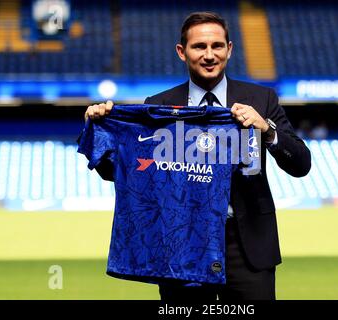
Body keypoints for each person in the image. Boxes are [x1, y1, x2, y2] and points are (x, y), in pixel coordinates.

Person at [84, 11, 311, 301]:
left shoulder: (261, 100)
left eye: (217, 46)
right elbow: (122, 171)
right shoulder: (160, 105)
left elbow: (301, 164)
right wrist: (98, 126)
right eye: (199, 47)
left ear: (229, 49)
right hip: (181, 243)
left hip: (246, 246)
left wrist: (267, 130)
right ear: (182, 52)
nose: (209, 55)